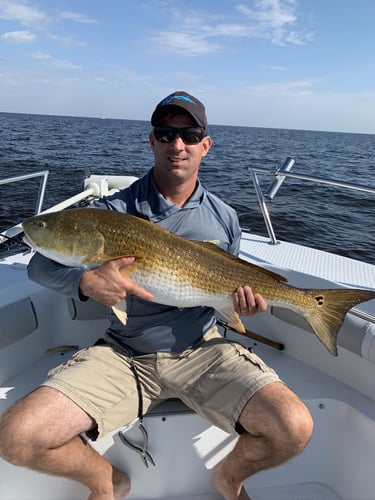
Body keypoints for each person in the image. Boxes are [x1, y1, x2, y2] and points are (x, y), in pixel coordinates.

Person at [0, 91, 313, 500]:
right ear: (152, 141)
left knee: (294, 426)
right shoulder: (113, 212)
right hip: (124, 353)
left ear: (205, 144)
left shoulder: (224, 217)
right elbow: (40, 263)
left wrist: (241, 304)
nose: (177, 145)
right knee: (16, 437)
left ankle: (228, 478)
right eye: (166, 134)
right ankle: (105, 480)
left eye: (189, 134)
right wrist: (85, 283)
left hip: (203, 350)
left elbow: (231, 282)